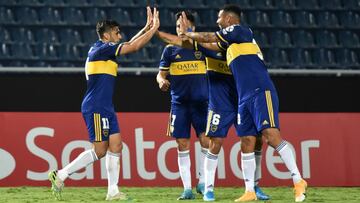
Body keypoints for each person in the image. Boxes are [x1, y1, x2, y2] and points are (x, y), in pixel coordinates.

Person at [179, 4, 307, 202]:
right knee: (247, 142)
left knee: (271, 137)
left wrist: (190, 33)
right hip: (244, 97)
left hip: (260, 91)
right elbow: (209, 45)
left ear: (229, 20)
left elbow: (209, 38)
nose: (217, 21)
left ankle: (298, 180)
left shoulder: (241, 30)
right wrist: (188, 37)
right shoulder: (230, 45)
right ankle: (250, 191)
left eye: (220, 18)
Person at [48, 7, 160, 201]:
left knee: (116, 146)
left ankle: (113, 191)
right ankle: (61, 174)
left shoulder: (104, 49)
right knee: (100, 150)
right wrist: (154, 29)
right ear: (107, 35)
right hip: (96, 106)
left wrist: (146, 27)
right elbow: (133, 47)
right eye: (116, 32)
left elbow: (130, 42)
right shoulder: (102, 50)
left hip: (105, 106)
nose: (120, 35)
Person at [156, 30, 270, 201]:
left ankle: (253, 187)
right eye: (179, 25)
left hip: (238, 100)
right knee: (208, 142)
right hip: (208, 104)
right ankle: (201, 188)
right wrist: (155, 31)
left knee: (255, 140)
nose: (181, 29)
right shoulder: (191, 49)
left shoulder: (242, 49)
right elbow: (175, 52)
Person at [156, 11, 209, 200]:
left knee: (206, 141)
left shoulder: (202, 47)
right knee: (182, 143)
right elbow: (161, 74)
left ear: (192, 28)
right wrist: (160, 81)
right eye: (178, 26)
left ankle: (203, 182)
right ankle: (187, 189)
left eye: (184, 26)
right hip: (179, 103)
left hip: (202, 103)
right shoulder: (170, 50)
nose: (180, 30)